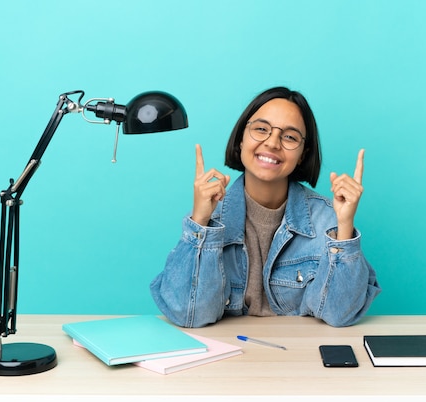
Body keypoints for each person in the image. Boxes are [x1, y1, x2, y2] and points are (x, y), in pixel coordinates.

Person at [150, 86, 380, 328]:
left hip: (299, 356)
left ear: (303, 154)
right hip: (228, 356)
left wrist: (344, 227)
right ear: (241, 138)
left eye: (289, 137)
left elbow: (339, 314)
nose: (272, 143)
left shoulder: (326, 220)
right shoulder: (211, 215)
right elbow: (189, 314)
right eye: (261, 129)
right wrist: (200, 223)